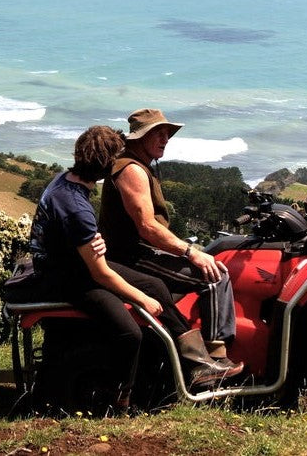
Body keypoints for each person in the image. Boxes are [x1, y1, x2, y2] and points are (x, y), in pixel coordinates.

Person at [27, 125, 240, 410]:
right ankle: (121, 400)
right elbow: (100, 273)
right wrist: (142, 299)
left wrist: (89, 240)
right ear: (106, 164)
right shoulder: (76, 207)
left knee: (156, 285)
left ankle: (197, 363)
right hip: (68, 277)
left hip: (70, 263)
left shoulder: (65, 181)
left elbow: (72, 236)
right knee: (131, 332)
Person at [99, 108, 242, 370]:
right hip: (131, 255)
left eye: (167, 134)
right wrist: (191, 252)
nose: (165, 139)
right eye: (158, 133)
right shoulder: (132, 170)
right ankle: (214, 360)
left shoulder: (138, 165)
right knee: (215, 277)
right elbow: (147, 227)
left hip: (137, 251)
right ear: (140, 137)